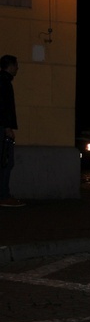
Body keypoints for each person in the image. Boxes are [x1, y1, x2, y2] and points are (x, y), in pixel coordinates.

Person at [0, 54, 24, 207]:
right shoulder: (4, 82)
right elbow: (3, 107)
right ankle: (4, 195)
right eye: (16, 65)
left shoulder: (4, 81)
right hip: (3, 128)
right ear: (10, 66)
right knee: (6, 161)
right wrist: (7, 127)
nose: (17, 68)